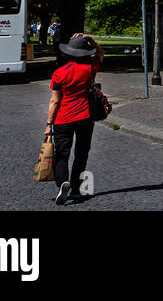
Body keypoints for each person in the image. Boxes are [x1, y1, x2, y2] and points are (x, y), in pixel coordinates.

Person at [45, 33, 103, 205]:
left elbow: (55, 100)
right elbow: (100, 53)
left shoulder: (59, 73)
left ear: (67, 53)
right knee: (81, 152)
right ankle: (77, 189)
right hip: (86, 116)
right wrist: (91, 40)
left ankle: (63, 181)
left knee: (62, 153)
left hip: (63, 118)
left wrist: (49, 124)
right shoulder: (91, 68)